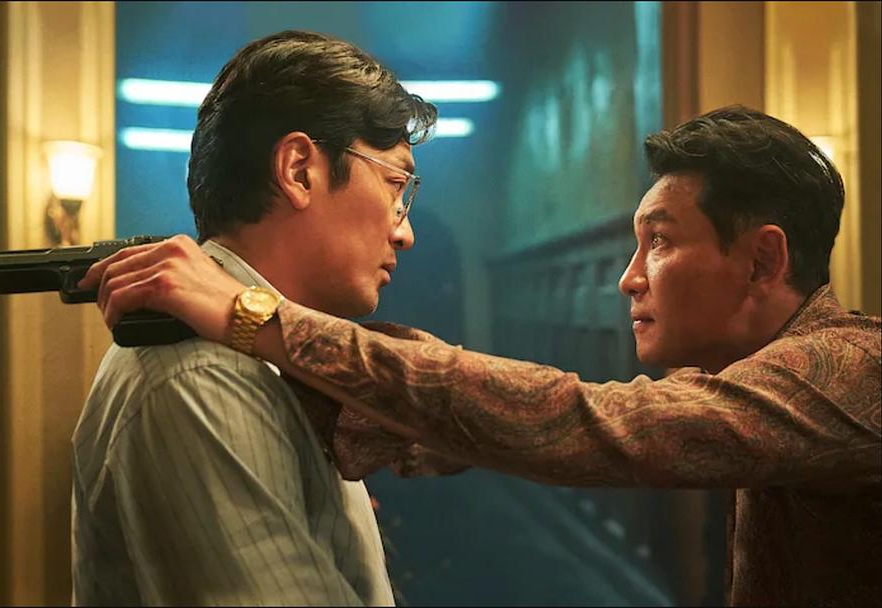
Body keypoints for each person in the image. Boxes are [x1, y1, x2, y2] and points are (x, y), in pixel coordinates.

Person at [81, 105, 881, 607]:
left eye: (660, 242)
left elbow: (586, 422)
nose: (628, 277)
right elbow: (498, 424)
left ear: (763, 260)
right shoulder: (761, 385)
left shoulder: (851, 372)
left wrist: (256, 316)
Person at [70, 30, 438, 606]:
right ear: (299, 171)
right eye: (396, 186)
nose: (405, 232)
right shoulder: (205, 377)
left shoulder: (255, 358)